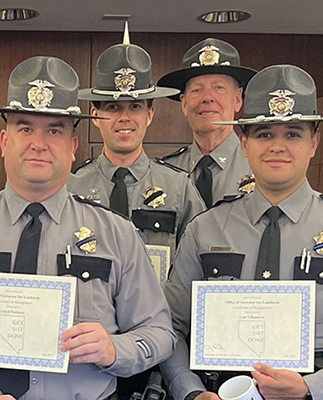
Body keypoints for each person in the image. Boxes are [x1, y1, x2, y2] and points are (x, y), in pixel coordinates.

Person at [0, 56, 175, 400]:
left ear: (73, 148)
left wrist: (115, 350)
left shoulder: (116, 234)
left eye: (55, 130)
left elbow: (161, 333)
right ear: (4, 141)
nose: (38, 143)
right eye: (25, 128)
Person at [160, 65, 323, 400]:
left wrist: (317, 386)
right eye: (264, 133)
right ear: (244, 141)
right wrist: (190, 392)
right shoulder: (204, 229)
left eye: (293, 134)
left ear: (314, 142)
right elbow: (169, 328)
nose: (277, 146)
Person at [68, 24, 204, 400]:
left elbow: (200, 269)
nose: (123, 117)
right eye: (112, 107)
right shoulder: (69, 187)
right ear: (95, 114)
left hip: (162, 350)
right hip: (86, 351)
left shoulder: (180, 187)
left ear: (150, 114)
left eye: (134, 107)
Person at [155, 38, 259, 207]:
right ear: (184, 103)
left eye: (219, 88)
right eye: (197, 90)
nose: (208, 98)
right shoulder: (165, 171)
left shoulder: (261, 166)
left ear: (238, 99)